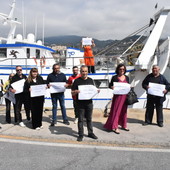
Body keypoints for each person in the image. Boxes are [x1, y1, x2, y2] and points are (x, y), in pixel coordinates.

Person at [72, 65, 99, 142]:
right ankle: (81, 134)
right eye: (83, 71)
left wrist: (97, 90)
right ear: (80, 72)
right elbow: (72, 93)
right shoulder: (76, 81)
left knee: (89, 119)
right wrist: (75, 92)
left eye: (86, 71)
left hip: (89, 102)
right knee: (80, 119)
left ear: (88, 72)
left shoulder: (91, 80)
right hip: (80, 103)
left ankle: (90, 133)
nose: (84, 73)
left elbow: (94, 90)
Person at [104, 64, 130, 134]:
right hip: (117, 97)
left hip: (125, 97)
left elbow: (128, 86)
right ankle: (115, 127)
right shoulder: (115, 77)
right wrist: (112, 87)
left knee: (124, 111)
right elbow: (110, 85)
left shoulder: (127, 77)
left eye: (123, 69)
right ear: (118, 70)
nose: (122, 71)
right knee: (116, 111)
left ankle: (124, 125)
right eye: (120, 69)